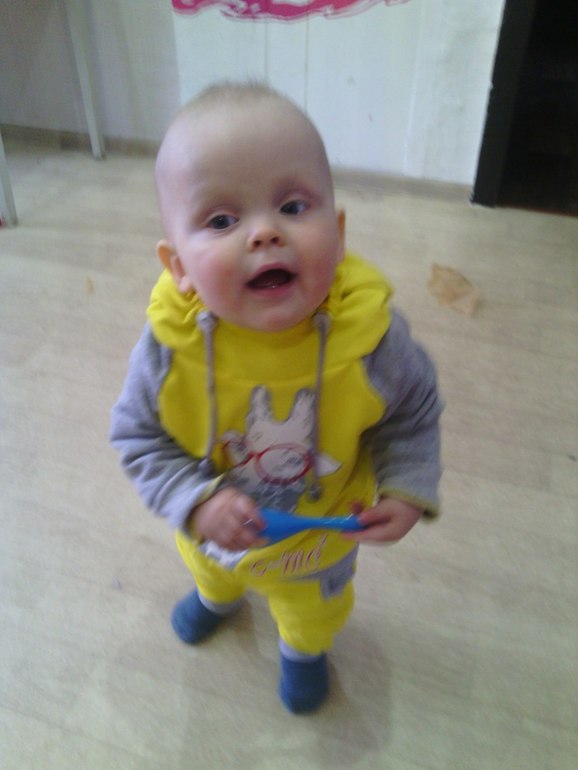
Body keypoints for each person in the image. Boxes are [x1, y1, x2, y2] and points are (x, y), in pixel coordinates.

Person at [110, 82, 442, 714]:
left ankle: (303, 651)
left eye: (292, 206)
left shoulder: (369, 338)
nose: (264, 232)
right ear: (178, 267)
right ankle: (218, 600)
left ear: (337, 236)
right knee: (211, 572)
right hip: (214, 532)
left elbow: (413, 414)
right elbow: (136, 435)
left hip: (317, 540)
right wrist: (196, 502)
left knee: (313, 613)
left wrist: (407, 488)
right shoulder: (169, 348)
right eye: (221, 220)